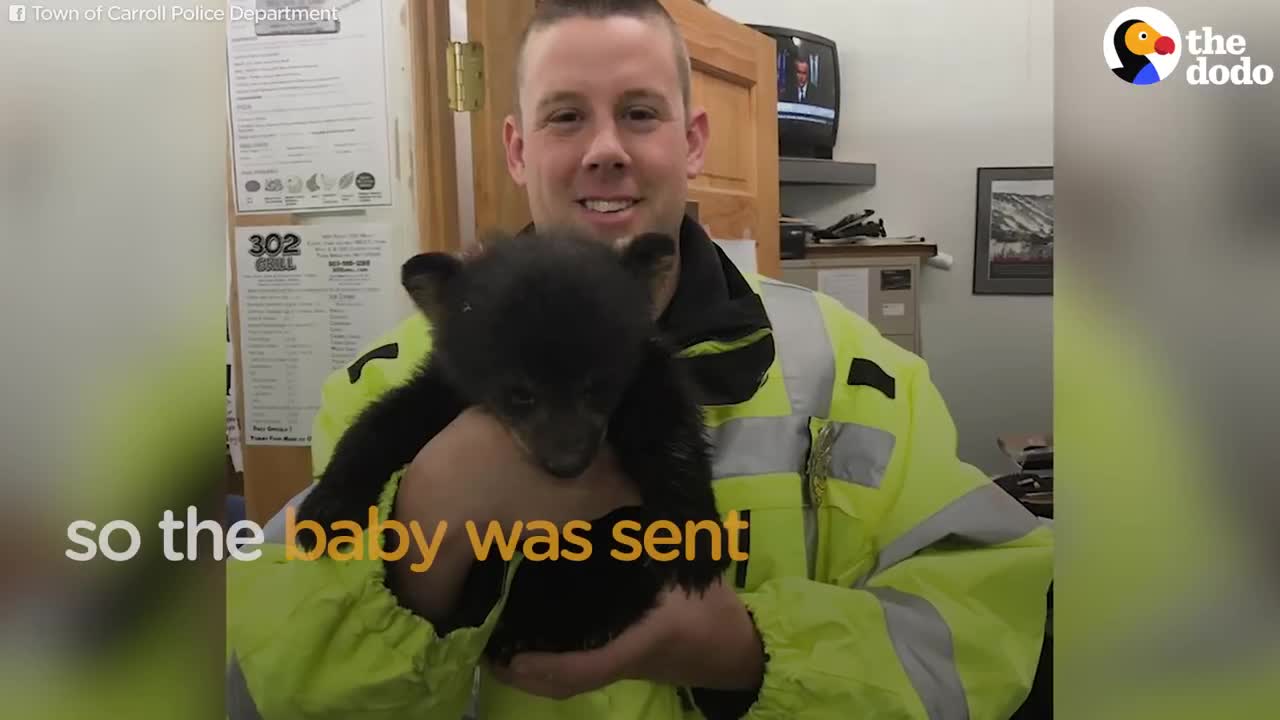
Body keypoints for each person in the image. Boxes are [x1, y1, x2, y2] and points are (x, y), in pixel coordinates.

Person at [226, 1, 1054, 718]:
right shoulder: (380, 381)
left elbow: (987, 632)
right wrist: (431, 522)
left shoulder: (852, 369)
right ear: (516, 151)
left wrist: (745, 654)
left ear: (696, 141)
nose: (605, 150)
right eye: (564, 117)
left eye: (640, 112)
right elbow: (289, 682)